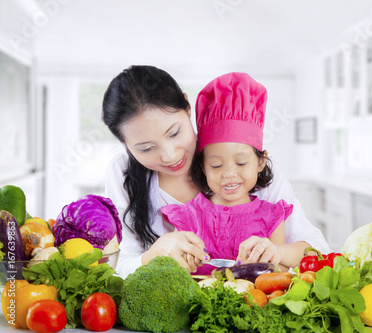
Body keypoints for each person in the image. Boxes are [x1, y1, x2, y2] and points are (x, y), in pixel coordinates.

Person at [102, 65, 329, 278]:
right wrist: (151, 256)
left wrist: (277, 252)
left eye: (174, 133)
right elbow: (115, 263)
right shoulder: (123, 173)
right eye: (146, 148)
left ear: (187, 108)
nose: (170, 155)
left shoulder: (248, 164)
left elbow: (317, 250)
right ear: (125, 144)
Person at [161, 72, 305, 275]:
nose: (228, 174)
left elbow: (280, 272)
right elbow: (174, 268)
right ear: (203, 167)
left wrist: (275, 254)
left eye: (240, 162)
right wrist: (185, 262)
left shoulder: (271, 216)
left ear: (260, 162)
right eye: (217, 165)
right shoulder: (188, 216)